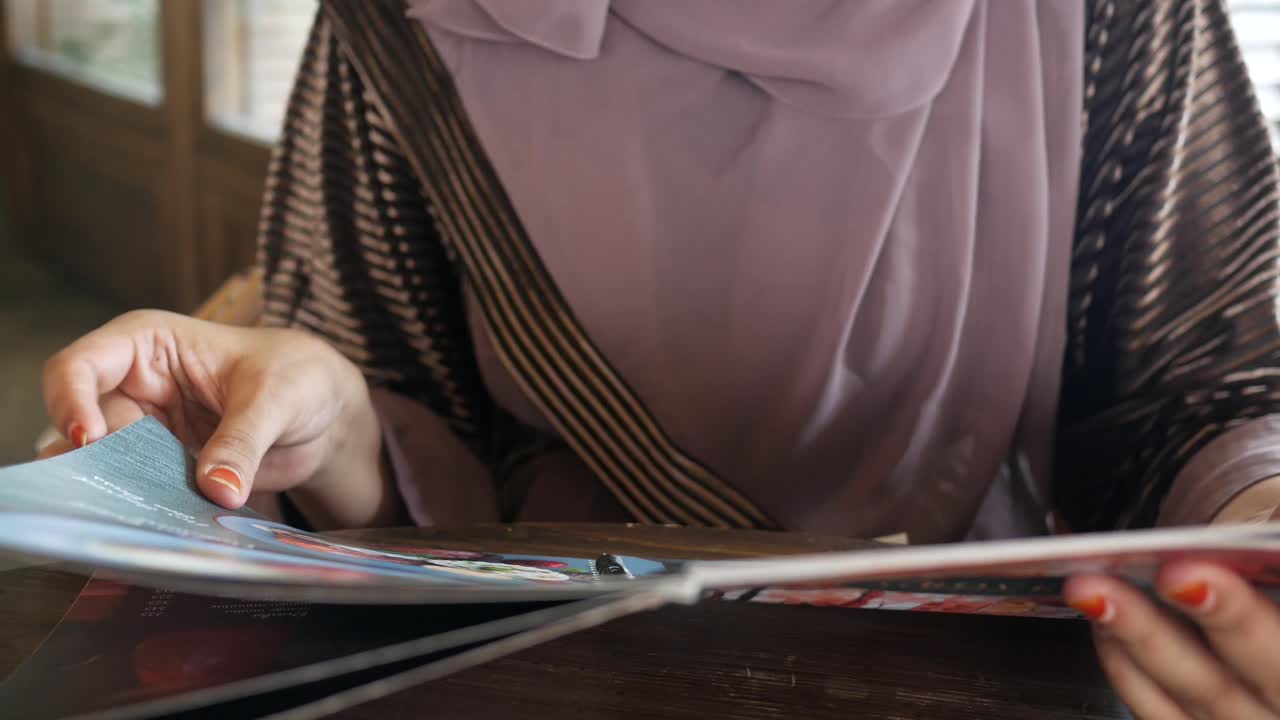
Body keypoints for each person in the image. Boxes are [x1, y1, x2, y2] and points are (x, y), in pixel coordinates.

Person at [38, 1, 1280, 715]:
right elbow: (367, 423)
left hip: (989, 666)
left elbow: (1198, 392)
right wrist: (323, 417)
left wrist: (1259, 518)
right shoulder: (407, 18)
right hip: (536, 669)